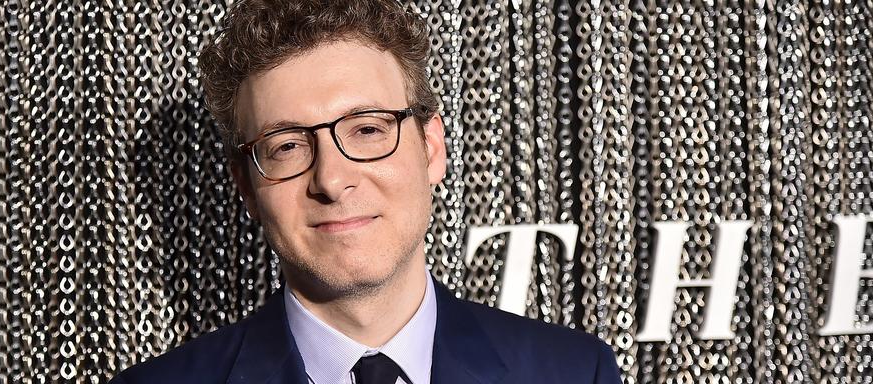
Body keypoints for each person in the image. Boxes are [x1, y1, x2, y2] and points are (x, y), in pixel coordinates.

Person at [110, 0, 622, 383]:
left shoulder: (575, 371)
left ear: (432, 149)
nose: (331, 180)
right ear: (245, 184)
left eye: (368, 129)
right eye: (287, 145)